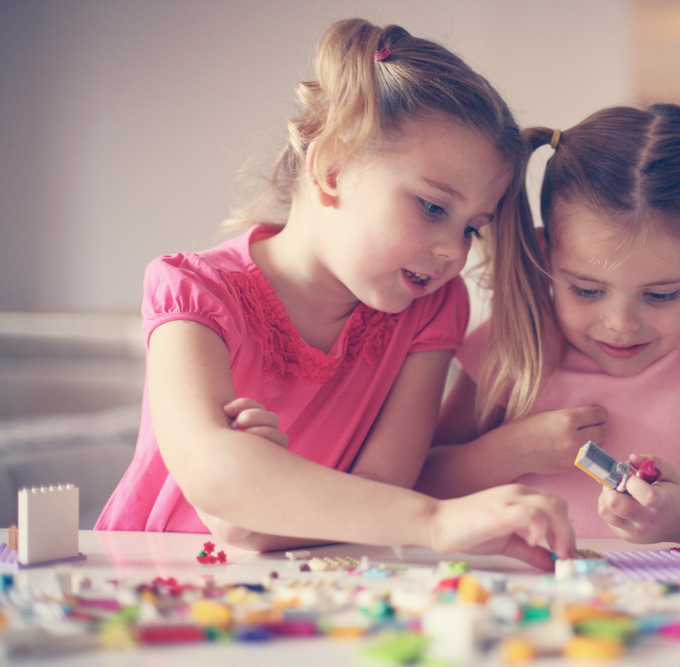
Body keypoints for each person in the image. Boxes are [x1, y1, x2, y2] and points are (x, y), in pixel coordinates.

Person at [95, 18, 574, 569]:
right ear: (331, 167)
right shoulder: (195, 294)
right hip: (151, 578)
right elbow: (215, 472)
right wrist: (437, 522)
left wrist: (260, 513)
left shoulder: (432, 308)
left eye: (472, 227)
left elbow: (382, 483)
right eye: (433, 207)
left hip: (318, 585)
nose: (453, 251)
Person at [418, 103, 680, 545]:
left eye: (660, 295)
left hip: (671, 602)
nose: (621, 324)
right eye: (587, 290)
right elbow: (418, 486)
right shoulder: (510, 347)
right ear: (547, 256)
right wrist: (506, 453)